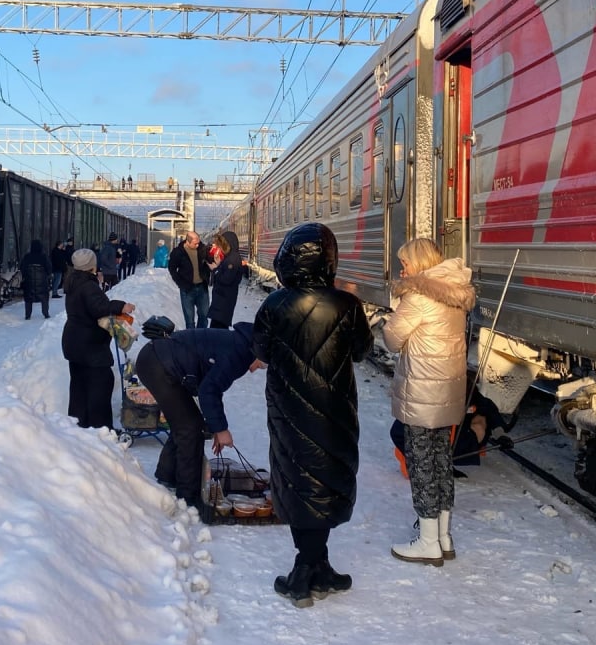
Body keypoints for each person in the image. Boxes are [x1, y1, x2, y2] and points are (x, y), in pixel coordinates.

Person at [254, 222, 373, 607]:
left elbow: (263, 351)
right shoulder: (347, 304)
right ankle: (316, 564)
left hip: (289, 406)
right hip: (335, 408)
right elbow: (361, 351)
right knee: (326, 478)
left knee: (295, 476)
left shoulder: (273, 305)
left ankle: (308, 569)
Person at [380, 238, 476, 566]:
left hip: (422, 394)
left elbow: (392, 339)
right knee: (441, 462)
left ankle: (427, 542)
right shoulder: (454, 293)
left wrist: (392, 316)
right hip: (448, 391)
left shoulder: (419, 296)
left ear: (419, 264)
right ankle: (444, 537)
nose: (402, 268)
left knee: (421, 464)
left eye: (405, 262)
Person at [134, 322, 263, 505]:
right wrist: (221, 429)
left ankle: (167, 475)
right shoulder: (240, 354)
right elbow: (208, 390)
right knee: (190, 428)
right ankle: (188, 498)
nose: (258, 368)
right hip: (158, 365)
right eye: (262, 364)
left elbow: (213, 388)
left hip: (156, 358)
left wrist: (216, 426)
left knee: (186, 422)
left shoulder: (240, 344)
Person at [61, 248, 134, 429]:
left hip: (74, 342)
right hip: (90, 345)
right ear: (91, 265)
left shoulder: (74, 281)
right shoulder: (87, 285)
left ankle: (79, 425)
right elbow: (99, 308)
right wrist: (122, 306)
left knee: (79, 387)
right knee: (100, 385)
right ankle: (100, 429)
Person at [168, 230, 213, 329]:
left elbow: (210, 259)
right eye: (195, 243)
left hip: (202, 288)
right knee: (189, 320)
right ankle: (191, 340)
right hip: (187, 289)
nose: (197, 245)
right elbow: (172, 269)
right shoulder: (178, 252)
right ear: (187, 242)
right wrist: (180, 283)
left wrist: (213, 259)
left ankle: (201, 338)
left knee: (204, 316)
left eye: (198, 242)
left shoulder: (202, 248)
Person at [206, 231, 244, 330]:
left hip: (224, 301)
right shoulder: (230, 257)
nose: (220, 248)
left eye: (222, 245)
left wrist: (215, 269)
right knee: (218, 329)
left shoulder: (232, 259)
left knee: (218, 330)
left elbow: (226, 279)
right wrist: (219, 265)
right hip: (222, 300)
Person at [19, 239, 52, 320]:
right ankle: (46, 313)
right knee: (44, 298)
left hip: (29, 281)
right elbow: (49, 268)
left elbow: (22, 268)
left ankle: (28, 315)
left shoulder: (27, 256)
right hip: (42, 282)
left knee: (28, 299)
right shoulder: (44, 256)